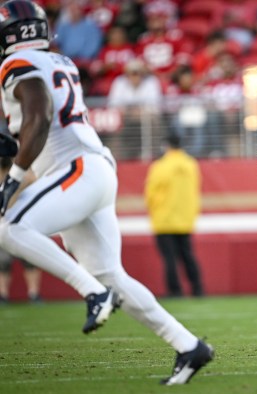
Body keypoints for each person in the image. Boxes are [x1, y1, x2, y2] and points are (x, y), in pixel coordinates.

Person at [0, 1, 212, 384]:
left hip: (76, 169)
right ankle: (188, 346)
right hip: (92, 170)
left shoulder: (15, 65)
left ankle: (93, 293)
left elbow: (39, 114)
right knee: (110, 273)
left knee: (8, 227)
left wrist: (13, 177)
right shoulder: (60, 61)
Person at [145, 133, 204, 297]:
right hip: (186, 219)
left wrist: (154, 209)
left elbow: (150, 193)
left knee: (169, 259)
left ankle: (175, 291)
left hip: (164, 219)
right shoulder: (191, 164)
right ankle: (198, 288)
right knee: (188, 256)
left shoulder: (160, 165)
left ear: (167, 145)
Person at [0, 156, 41, 304]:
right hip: (3, 223)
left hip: (22, 222)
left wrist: (17, 184)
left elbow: (33, 179)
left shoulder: (19, 170)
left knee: (30, 261)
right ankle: (3, 294)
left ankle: (34, 294)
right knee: (3, 263)